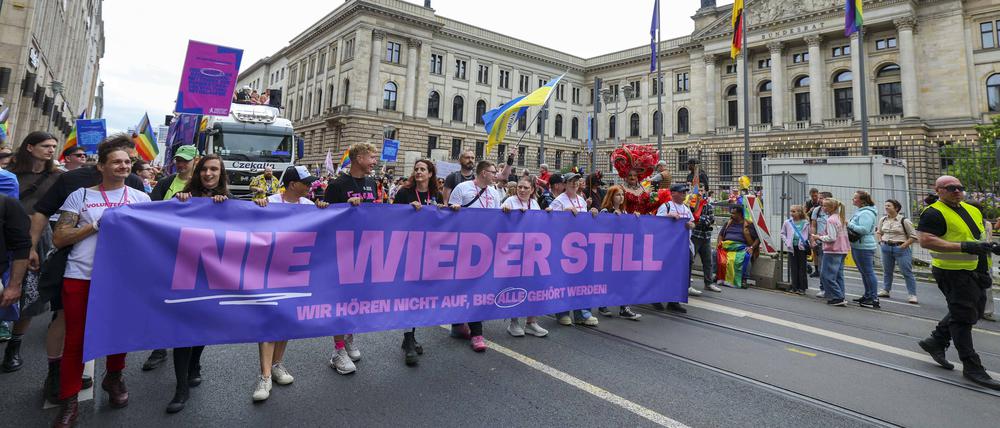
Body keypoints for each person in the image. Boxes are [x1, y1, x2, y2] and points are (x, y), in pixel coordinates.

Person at [51, 137, 152, 426]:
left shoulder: (140, 198)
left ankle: (114, 378)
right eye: (117, 161)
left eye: (127, 162)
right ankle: (69, 400)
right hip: (81, 275)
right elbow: (59, 238)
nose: (124, 166)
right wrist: (95, 225)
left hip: (122, 279)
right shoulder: (81, 196)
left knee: (118, 332)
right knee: (76, 339)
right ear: (102, 166)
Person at [249, 165, 329, 401]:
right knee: (268, 320)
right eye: (307, 182)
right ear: (293, 184)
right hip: (270, 270)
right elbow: (253, 226)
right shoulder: (271, 201)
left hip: (297, 272)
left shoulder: (308, 206)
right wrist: (258, 208)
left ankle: (277, 365)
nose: (311, 186)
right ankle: (264, 377)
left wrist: (323, 209)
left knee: (286, 319)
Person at [916, 176, 1000, 390]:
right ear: (939, 190)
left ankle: (936, 341)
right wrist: (963, 247)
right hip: (952, 272)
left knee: (974, 309)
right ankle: (972, 366)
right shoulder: (933, 212)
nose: (957, 191)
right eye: (951, 188)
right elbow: (925, 240)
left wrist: (990, 246)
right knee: (963, 316)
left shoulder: (972, 209)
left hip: (977, 268)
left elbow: (976, 235)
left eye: (960, 188)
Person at [163, 154, 231, 413]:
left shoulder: (228, 201)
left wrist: (255, 204)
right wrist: (177, 204)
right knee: (182, 330)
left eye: (214, 169)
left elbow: (245, 228)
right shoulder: (183, 197)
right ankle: (181, 388)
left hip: (212, 275)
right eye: (204, 169)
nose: (209, 173)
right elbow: (162, 223)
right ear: (198, 172)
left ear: (221, 173)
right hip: (183, 273)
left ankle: (195, 365)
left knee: (202, 326)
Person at [3, 131, 62, 382]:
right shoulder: (11, 172)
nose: (51, 150)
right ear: (30, 147)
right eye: (45, 145)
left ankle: (14, 346)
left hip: (38, 238)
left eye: (54, 146)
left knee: (29, 293)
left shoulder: (58, 177)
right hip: (5, 234)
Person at [323, 142, 382, 374]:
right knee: (340, 300)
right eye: (371, 157)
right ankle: (337, 350)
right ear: (358, 158)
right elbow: (326, 216)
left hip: (365, 250)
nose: (375, 161)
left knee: (356, 299)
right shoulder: (337, 184)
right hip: (342, 251)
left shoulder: (371, 183)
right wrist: (345, 207)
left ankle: (348, 338)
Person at [142, 144, 198, 372]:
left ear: (196, 160)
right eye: (178, 160)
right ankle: (159, 348)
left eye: (186, 160)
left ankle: (190, 355)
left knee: (191, 304)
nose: (181, 164)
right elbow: (151, 211)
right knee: (162, 300)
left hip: (195, 255)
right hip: (167, 251)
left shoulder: (205, 183)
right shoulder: (166, 183)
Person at [448, 160, 506, 351]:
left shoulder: (495, 193)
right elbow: (449, 218)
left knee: (478, 288)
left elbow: (497, 218)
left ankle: (476, 332)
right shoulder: (462, 188)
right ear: (482, 173)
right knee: (461, 287)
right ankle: (458, 323)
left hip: (485, 247)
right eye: (492, 171)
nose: (495, 175)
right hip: (463, 247)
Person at [390, 159, 441, 365]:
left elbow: (439, 218)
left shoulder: (435, 194)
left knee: (419, 295)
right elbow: (391, 217)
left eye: (423, 169)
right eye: (416, 169)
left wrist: (452, 210)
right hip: (407, 249)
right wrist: (407, 211)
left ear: (430, 174)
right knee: (409, 295)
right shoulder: (404, 192)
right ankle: (409, 340)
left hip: (428, 251)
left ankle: (409, 336)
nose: (418, 172)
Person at [501, 176, 552, 336]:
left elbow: (539, 225)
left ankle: (531, 322)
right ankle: (514, 322)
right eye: (520, 187)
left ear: (532, 190)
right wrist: (509, 213)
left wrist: (547, 215)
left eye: (526, 188)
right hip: (514, 251)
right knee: (516, 286)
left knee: (534, 286)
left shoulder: (535, 203)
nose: (522, 190)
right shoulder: (509, 201)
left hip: (532, 251)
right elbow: (499, 221)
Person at [549, 173, 600, 326]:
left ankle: (583, 313)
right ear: (565, 184)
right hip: (564, 245)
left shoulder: (582, 200)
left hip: (581, 246)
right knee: (565, 279)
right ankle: (562, 311)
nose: (574, 184)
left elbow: (585, 222)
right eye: (571, 181)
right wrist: (563, 214)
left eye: (576, 181)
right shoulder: (559, 201)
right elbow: (550, 222)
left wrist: (592, 213)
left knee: (582, 280)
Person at [595, 185, 643, 320]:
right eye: (617, 195)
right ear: (611, 197)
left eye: (622, 195)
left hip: (623, 252)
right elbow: (600, 230)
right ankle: (602, 304)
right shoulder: (605, 211)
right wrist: (611, 218)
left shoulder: (625, 213)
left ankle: (624, 308)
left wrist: (635, 219)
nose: (621, 197)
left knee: (625, 280)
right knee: (608, 279)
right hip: (609, 253)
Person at [655, 184, 697, 313]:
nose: (684, 194)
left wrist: (691, 225)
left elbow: (693, 222)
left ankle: (674, 301)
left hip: (684, 246)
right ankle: (656, 297)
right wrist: (668, 216)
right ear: (673, 193)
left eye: (685, 192)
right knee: (664, 272)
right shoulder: (666, 206)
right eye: (681, 192)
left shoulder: (686, 208)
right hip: (669, 247)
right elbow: (656, 222)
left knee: (681, 274)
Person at [876, 199, 919, 304]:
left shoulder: (904, 221)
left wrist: (903, 245)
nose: (886, 207)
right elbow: (879, 232)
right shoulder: (883, 219)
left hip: (900, 248)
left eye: (889, 206)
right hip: (886, 247)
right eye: (886, 205)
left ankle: (912, 295)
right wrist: (880, 242)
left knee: (906, 272)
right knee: (887, 271)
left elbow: (913, 236)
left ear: (896, 208)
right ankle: (886, 290)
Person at [811, 198, 849, 306]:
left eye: (824, 206)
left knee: (826, 275)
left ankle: (837, 296)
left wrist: (819, 237)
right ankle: (841, 295)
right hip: (842, 249)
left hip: (832, 250)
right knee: (838, 275)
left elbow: (831, 238)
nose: (822, 208)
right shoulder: (840, 217)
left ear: (831, 208)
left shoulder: (831, 220)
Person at [848, 190, 880, 308]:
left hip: (864, 246)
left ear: (862, 201)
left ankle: (873, 297)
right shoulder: (861, 211)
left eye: (855, 198)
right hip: (858, 245)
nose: (853, 199)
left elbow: (864, 230)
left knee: (868, 272)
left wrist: (848, 224)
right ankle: (867, 295)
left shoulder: (866, 213)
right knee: (864, 272)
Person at [715, 205, 759, 289]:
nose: (731, 215)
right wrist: (719, 243)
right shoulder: (728, 223)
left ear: (740, 214)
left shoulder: (748, 224)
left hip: (741, 247)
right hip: (727, 246)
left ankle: (744, 279)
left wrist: (752, 248)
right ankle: (717, 276)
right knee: (715, 253)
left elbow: (758, 238)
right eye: (731, 213)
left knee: (746, 256)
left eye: (734, 213)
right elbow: (720, 235)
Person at [781, 205, 811, 294]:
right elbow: (782, 233)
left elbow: (809, 235)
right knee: (794, 268)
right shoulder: (787, 222)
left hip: (801, 247)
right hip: (792, 248)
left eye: (794, 211)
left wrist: (809, 243)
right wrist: (787, 242)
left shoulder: (805, 222)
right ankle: (794, 287)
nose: (791, 213)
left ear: (800, 212)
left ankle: (802, 288)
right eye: (791, 211)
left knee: (802, 268)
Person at [809, 191, 832, 282]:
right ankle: (818, 272)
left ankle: (828, 284)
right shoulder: (817, 210)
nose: (819, 200)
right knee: (820, 260)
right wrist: (813, 238)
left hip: (830, 241)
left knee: (829, 265)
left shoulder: (834, 210)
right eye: (819, 198)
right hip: (819, 240)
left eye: (821, 198)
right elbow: (813, 225)